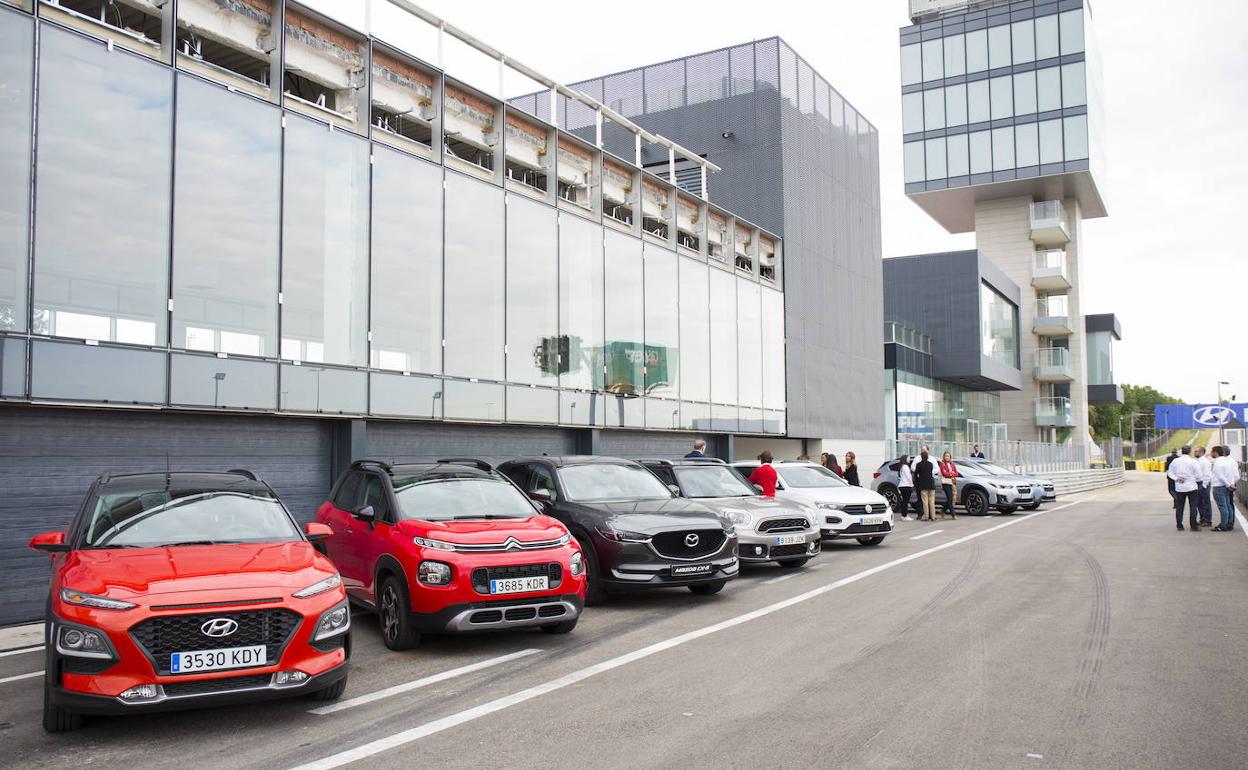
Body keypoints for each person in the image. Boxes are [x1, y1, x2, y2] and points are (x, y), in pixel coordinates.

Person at [1167, 446, 1200, 530]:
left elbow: (1170, 473)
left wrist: (1177, 478)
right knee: (1193, 506)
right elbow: (1199, 475)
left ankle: (1179, 525)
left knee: (1180, 507)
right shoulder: (1193, 462)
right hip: (1192, 486)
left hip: (1180, 487)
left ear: (1181, 451)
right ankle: (1193, 525)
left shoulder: (1175, 461)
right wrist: (1193, 479)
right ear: (1190, 452)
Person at [1211, 445, 1239, 532]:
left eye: (1212, 451)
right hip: (1227, 486)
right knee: (1228, 505)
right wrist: (1231, 484)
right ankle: (1228, 523)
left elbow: (1220, 476)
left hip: (1219, 486)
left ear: (1215, 452)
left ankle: (1223, 525)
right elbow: (1233, 475)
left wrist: (1228, 485)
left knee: (1223, 506)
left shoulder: (1217, 462)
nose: (1211, 453)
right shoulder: (1228, 461)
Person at [914, 450, 938, 521]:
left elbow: (916, 474)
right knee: (932, 501)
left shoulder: (919, 464)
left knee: (925, 502)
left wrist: (917, 482)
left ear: (921, 457)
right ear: (927, 457)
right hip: (931, 484)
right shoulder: (930, 464)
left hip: (923, 485)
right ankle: (933, 516)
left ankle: (926, 516)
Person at [889, 454, 914, 520]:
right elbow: (908, 476)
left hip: (902, 485)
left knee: (904, 501)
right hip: (906, 485)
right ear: (905, 459)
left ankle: (904, 515)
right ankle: (905, 515)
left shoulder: (902, 467)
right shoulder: (905, 467)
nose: (909, 460)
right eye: (908, 458)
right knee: (906, 501)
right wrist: (912, 484)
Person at [1194, 446, 1213, 526]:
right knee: (1198, 502)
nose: (1195, 452)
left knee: (1205, 502)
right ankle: (1202, 518)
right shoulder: (1196, 461)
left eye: (1197, 451)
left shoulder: (1205, 462)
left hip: (1204, 483)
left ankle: (1208, 520)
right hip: (1197, 483)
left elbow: (1207, 475)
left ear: (1202, 452)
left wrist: (1204, 485)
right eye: (1195, 451)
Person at [939, 451, 958, 519]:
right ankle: (953, 514)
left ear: (950, 457)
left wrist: (950, 473)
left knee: (952, 498)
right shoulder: (942, 464)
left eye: (948, 456)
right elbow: (944, 474)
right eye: (946, 456)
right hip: (945, 483)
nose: (947, 457)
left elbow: (956, 473)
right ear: (944, 457)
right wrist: (951, 473)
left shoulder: (952, 464)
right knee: (949, 497)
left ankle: (943, 510)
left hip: (952, 482)